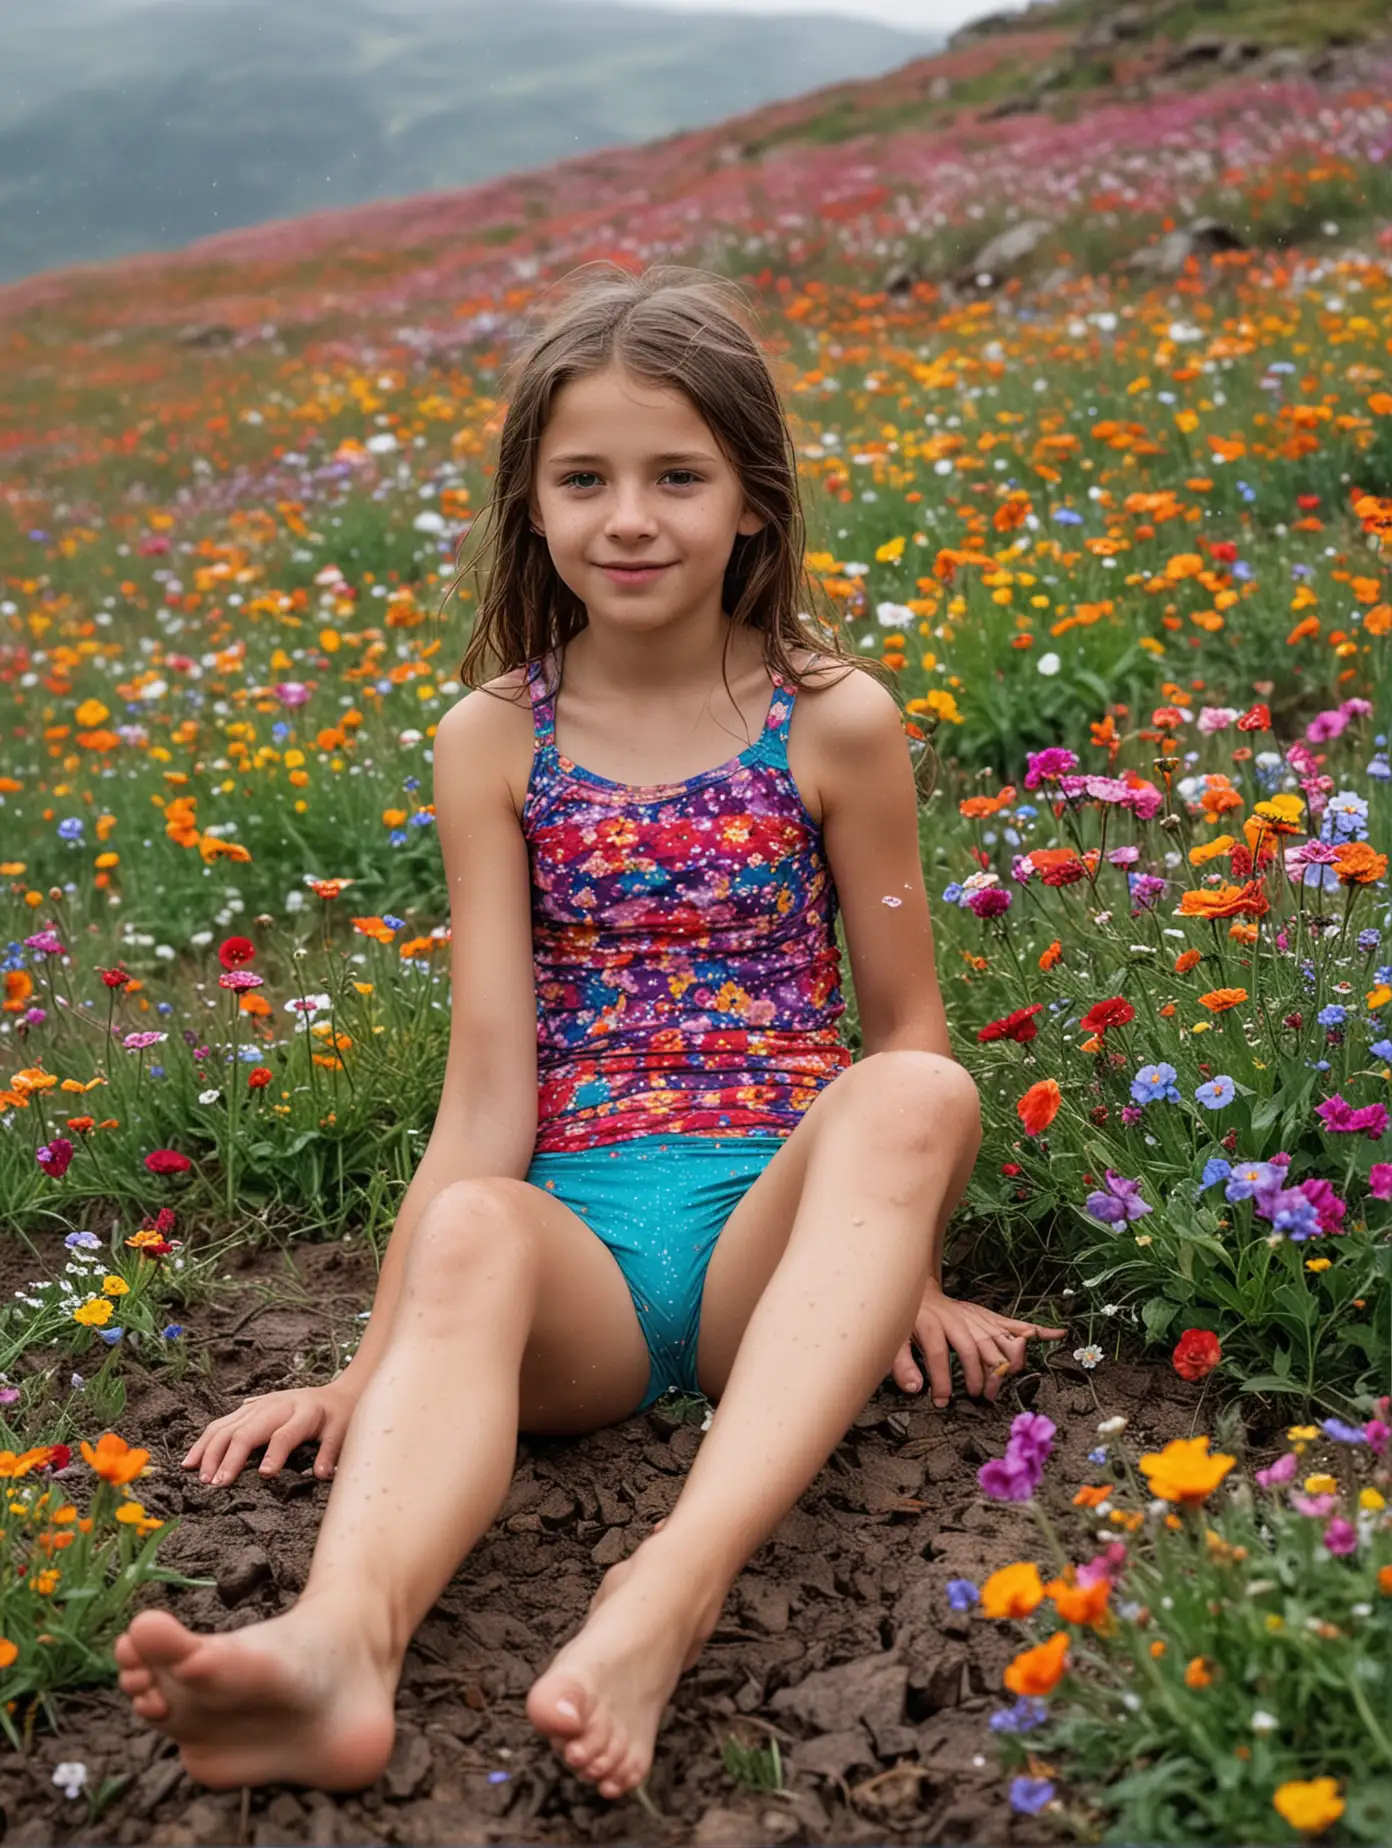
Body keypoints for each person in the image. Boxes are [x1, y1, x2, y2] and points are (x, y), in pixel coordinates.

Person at [112, 262, 1065, 1802]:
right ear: (532, 506)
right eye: (586, 479)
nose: (631, 517)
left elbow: (908, 1027)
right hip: (586, 1276)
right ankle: (337, 1646)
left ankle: (665, 1591)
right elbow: (489, 1086)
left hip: (782, 1244)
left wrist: (910, 1272)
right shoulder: (493, 738)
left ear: (752, 502)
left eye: (676, 475)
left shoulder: (835, 720)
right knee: (478, 1226)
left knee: (917, 1088)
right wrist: (375, 1368)